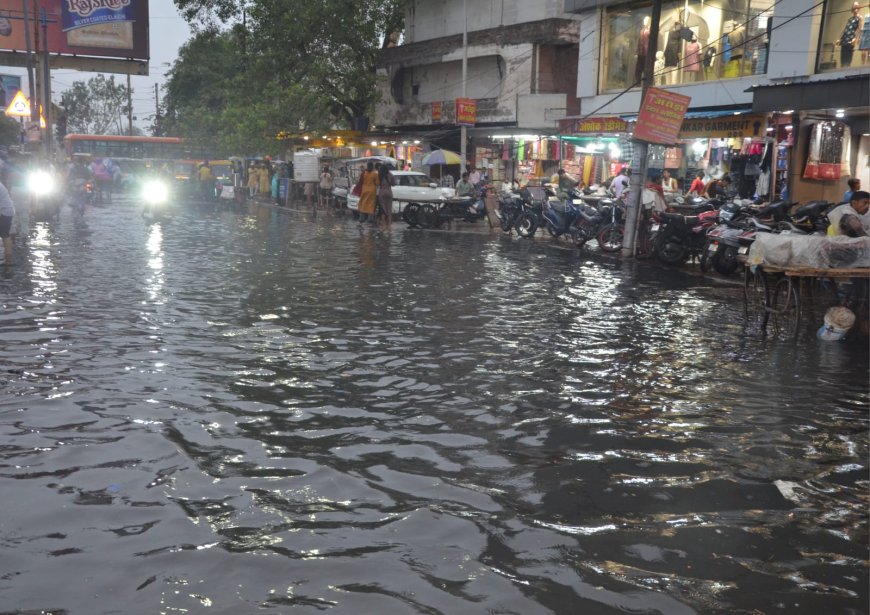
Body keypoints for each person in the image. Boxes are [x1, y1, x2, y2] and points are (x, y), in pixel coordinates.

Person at [0, 178, 14, 264]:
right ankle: (8, 258)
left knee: (4, 234)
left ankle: (8, 258)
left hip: (5, 211)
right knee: (5, 234)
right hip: (7, 209)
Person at [377, 163, 394, 230]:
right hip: (389, 193)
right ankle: (389, 226)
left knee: (383, 210)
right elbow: (393, 184)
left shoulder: (379, 175)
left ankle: (383, 225)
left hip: (382, 193)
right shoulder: (390, 175)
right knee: (389, 210)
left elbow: (377, 184)